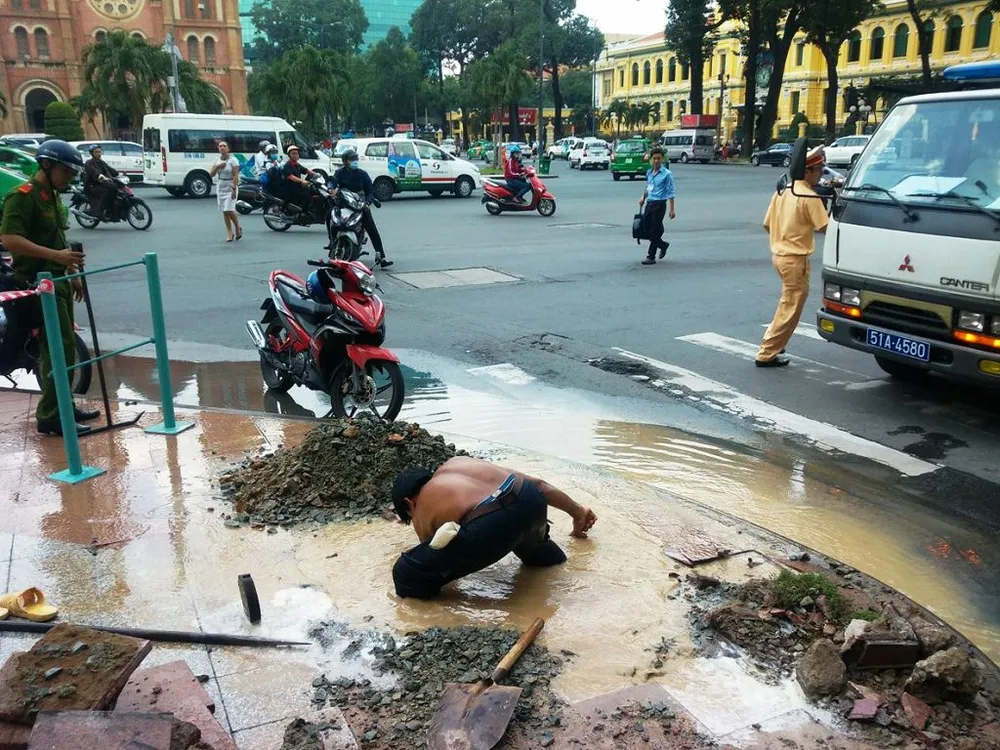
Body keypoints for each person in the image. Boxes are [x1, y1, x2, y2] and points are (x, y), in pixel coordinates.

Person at [390, 456, 597, 599]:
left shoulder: (422, 502)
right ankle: (551, 560)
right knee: (540, 560)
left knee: (405, 572)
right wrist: (577, 512)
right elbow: (538, 484)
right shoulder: (459, 463)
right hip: (529, 499)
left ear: (409, 503)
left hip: (494, 522)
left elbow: (432, 556)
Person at [0, 140, 98, 436]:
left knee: (65, 350)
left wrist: (70, 271)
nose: (69, 177)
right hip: (37, 284)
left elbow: (57, 240)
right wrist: (57, 258)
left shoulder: (52, 198)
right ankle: (52, 416)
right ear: (46, 165)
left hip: (58, 282)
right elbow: (10, 239)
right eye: (65, 171)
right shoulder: (22, 197)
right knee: (57, 350)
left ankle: (63, 406)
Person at [755, 146, 830, 368]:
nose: (820, 175)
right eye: (818, 171)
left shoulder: (784, 190)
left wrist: (783, 237)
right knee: (790, 306)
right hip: (795, 260)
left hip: (779, 255)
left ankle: (775, 343)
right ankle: (767, 351)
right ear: (807, 171)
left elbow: (767, 224)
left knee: (787, 303)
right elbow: (826, 226)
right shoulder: (807, 195)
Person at [330, 149, 393, 268]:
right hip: (344, 204)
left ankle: (382, 257)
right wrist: (331, 190)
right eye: (352, 159)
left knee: (372, 229)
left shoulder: (362, 174)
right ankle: (332, 241)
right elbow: (332, 183)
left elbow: (370, 191)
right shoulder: (339, 173)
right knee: (330, 215)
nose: (355, 161)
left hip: (359, 205)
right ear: (345, 161)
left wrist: (368, 203)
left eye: (356, 159)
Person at [639, 146, 676, 266]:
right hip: (650, 203)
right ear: (651, 159)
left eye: (659, 158)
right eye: (654, 158)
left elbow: (671, 192)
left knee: (653, 231)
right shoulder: (650, 172)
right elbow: (648, 187)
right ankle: (663, 244)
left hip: (660, 204)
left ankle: (651, 256)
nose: (656, 161)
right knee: (646, 229)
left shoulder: (667, 174)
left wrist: (672, 210)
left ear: (662, 159)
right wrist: (643, 198)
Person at [209, 141, 241, 242]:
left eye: (224, 146)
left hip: (230, 185)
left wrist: (234, 189)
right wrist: (218, 166)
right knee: (224, 211)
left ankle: (237, 228)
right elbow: (211, 174)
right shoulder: (217, 160)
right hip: (221, 185)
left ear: (228, 149)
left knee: (229, 209)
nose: (222, 148)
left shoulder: (233, 160)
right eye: (220, 146)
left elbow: (236, 175)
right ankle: (229, 232)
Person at [83, 144, 119, 219]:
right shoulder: (89, 163)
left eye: (99, 152)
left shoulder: (101, 162)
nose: (98, 154)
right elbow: (94, 172)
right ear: (92, 153)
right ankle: (99, 211)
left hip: (100, 184)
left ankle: (110, 209)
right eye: (96, 152)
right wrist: (101, 176)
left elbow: (110, 170)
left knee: (115, 188)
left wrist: (118, 174)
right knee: (106, 191)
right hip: (91, 186)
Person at [282, 145, 317, 215]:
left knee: (312, 191)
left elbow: (306, 170)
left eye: (297, 153)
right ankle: (304, 213)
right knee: (307, 196)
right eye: (293, 153)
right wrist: (302, 181)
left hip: (297, 186)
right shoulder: (288, 165)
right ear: (289, 155)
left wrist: (316, 174)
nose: (295, 155)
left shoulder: (296, 164)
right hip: (290, 188)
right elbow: (291, 177)